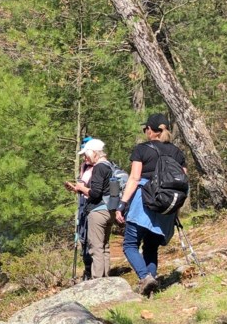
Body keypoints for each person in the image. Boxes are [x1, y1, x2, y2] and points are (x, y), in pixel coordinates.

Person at [114, 113, 187, 297]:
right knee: (151, 247)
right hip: (166, 206)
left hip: (143, 201)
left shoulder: (142, 149)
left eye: (145, 128)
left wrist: (122, 204)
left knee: (130, 244)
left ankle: (145, 277)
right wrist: (175, 210)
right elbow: (183, 182)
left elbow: (134, 178)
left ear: (149, 130)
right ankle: (151, 286)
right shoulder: (177, 152)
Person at [64, 138, 116, 279]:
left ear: (94, 153)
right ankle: (106, 278)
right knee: (104, 247)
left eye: (86, 155)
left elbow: (95, 193)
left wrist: (81, 187)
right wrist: (79, 190)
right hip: (109, 210)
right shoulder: (109, 165)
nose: (85, 158)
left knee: (96, 248)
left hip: (97, 211)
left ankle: (97, 280)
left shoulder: (99, 167)